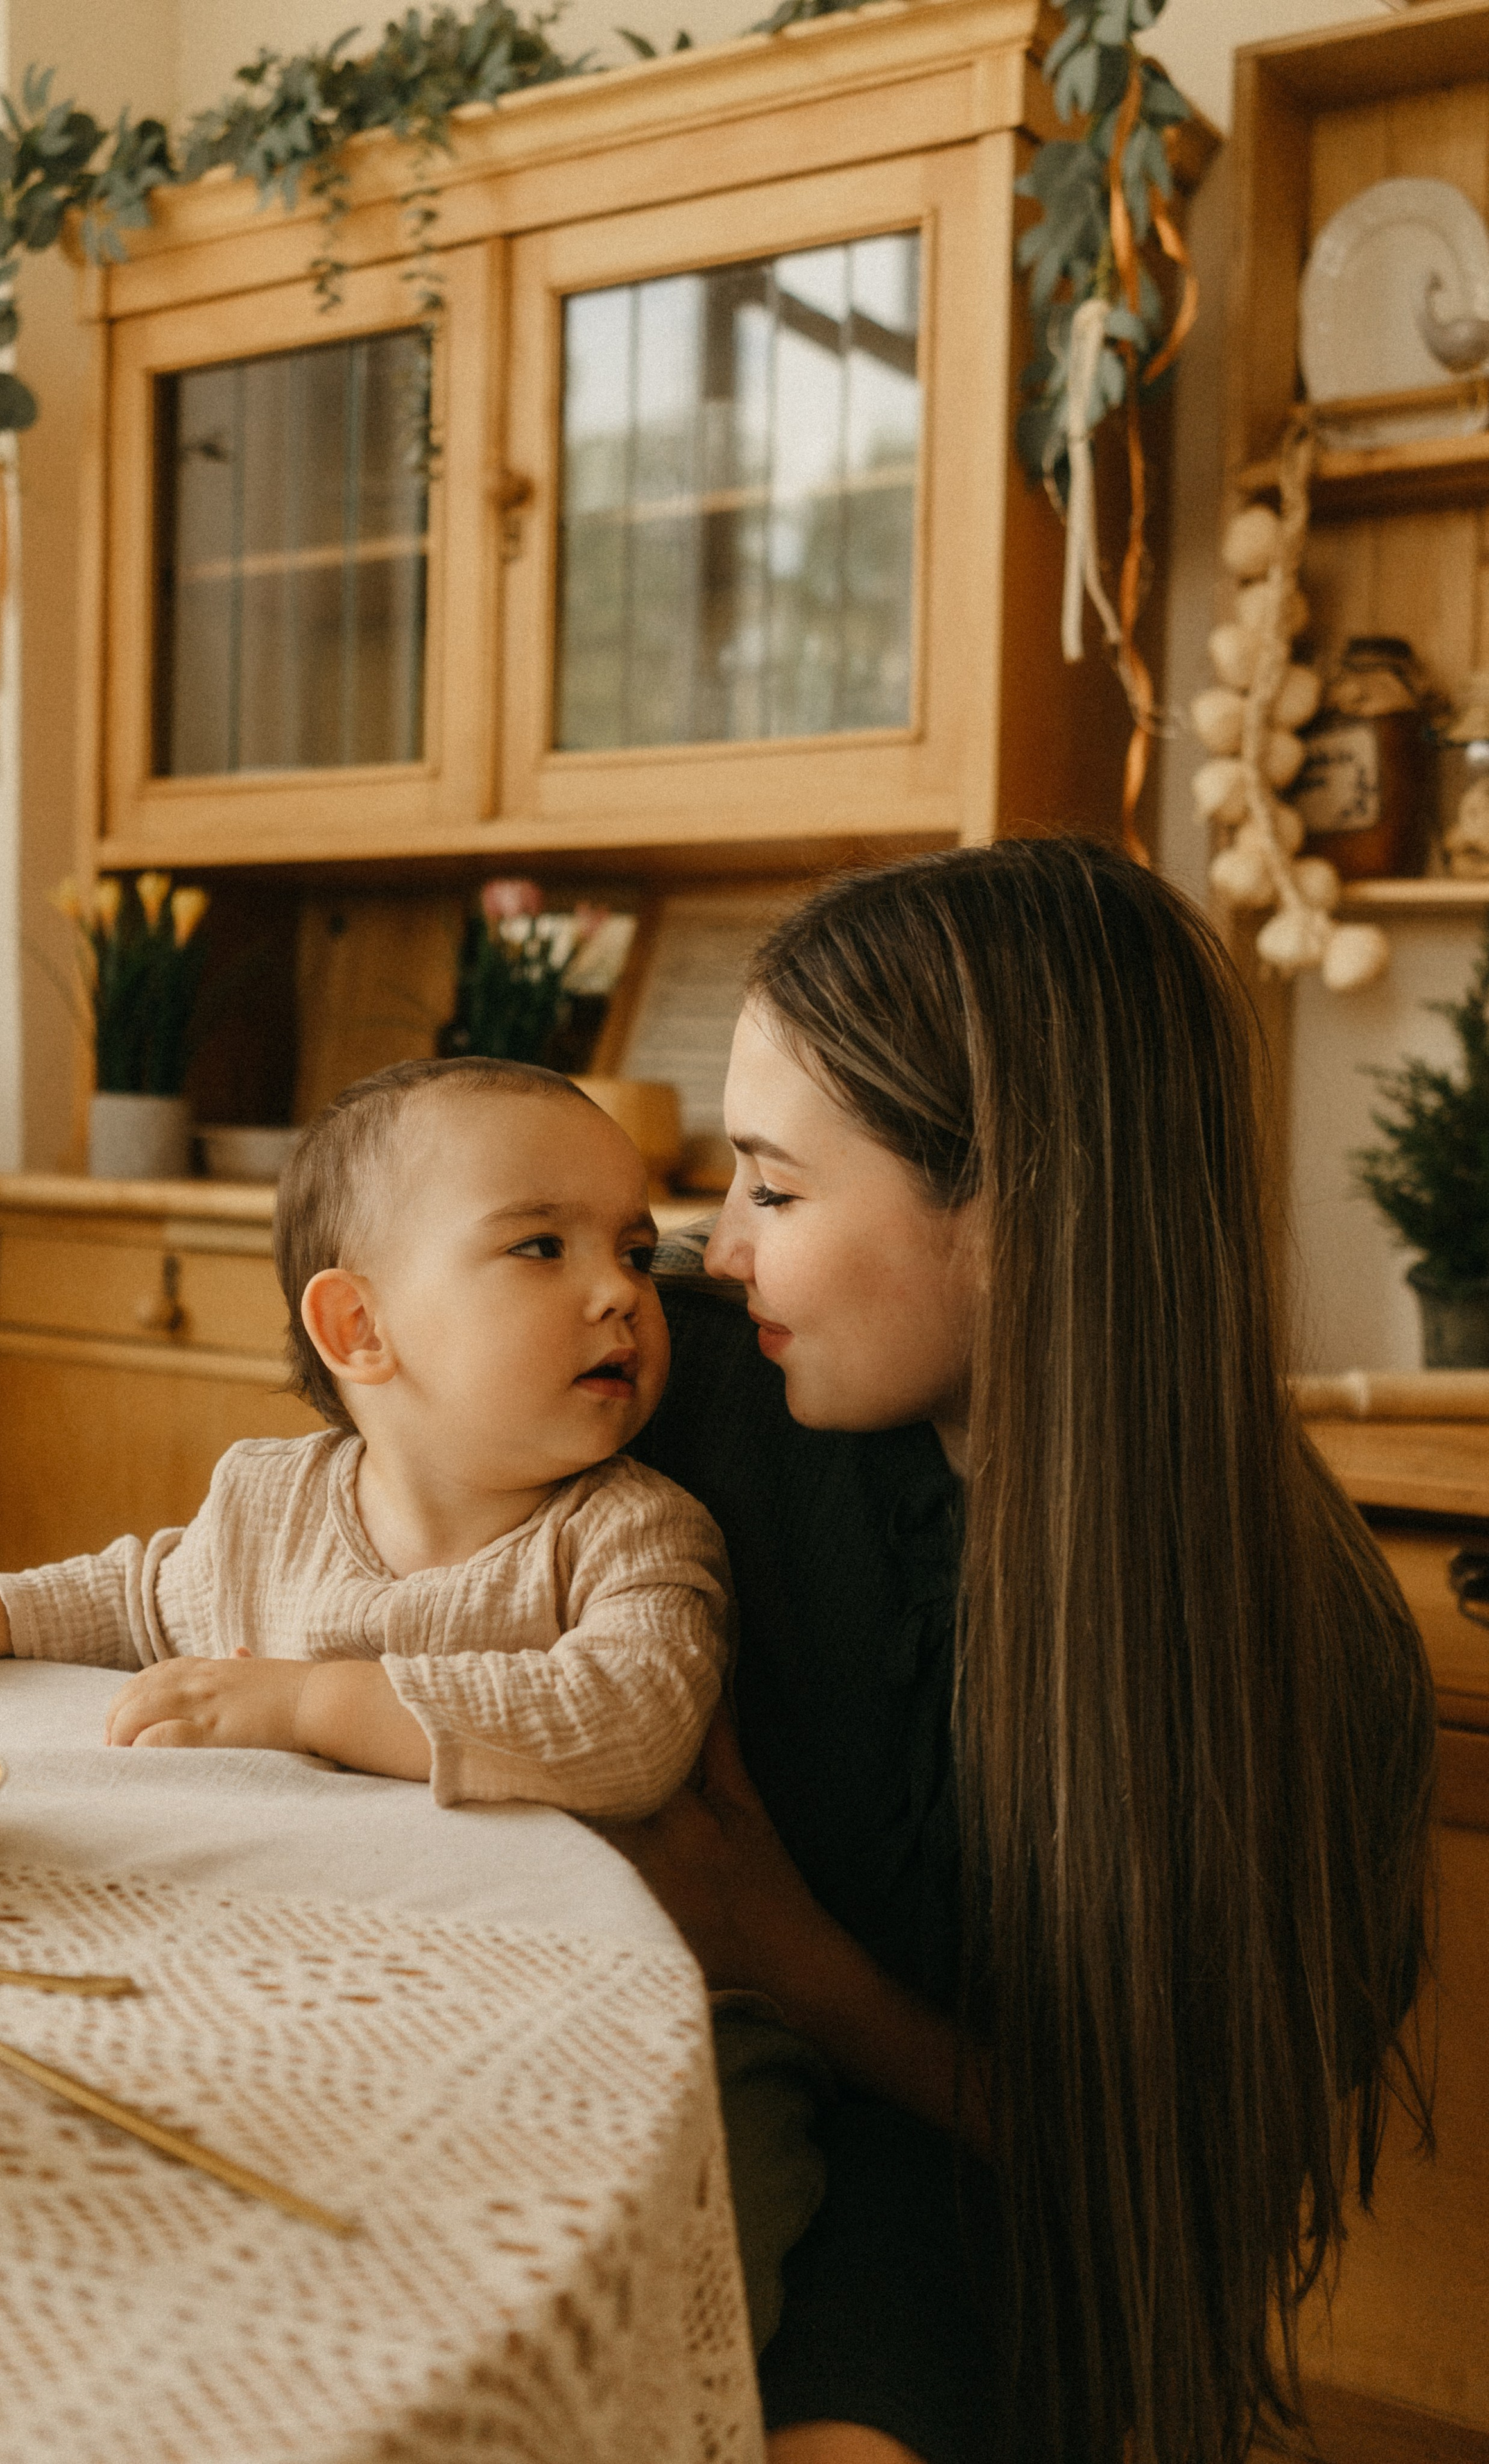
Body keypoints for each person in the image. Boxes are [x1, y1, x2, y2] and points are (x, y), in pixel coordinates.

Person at [613, 839, 1436, 2464]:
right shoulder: (711, 1380)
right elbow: (367, 1334)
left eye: (775, 1190)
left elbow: (1170, 2175)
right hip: (629, 2103)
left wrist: (773, 1941)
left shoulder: (1303, 1650)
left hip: (963, 2225)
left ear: (1020, 1209)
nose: (721, 1248)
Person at [0, 1059, 731, 1818]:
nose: (620, 1292)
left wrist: (312, 1701)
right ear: (358, 1329)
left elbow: (630, 1724)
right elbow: (132, 1602)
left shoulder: (632, 1533)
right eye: (543, 1246)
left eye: (635, 1253)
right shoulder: (267, 1509)